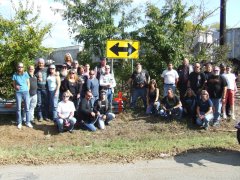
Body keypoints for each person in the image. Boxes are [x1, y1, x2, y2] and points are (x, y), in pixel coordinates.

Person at [12, 62, 33, 129]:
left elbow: (28, 83)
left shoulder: (26, 74)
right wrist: (15, 88)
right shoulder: (15, 75)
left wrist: (28, 90)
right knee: (18, 108)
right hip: (18, 93)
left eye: (21, 67)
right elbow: (14, 84)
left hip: (26, 92)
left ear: (23, 68)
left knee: (27, 108)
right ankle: (19, 123)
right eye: (19, 67)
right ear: (17, 67)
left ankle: (28, 122)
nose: (20, 68)